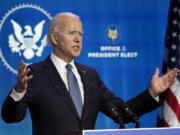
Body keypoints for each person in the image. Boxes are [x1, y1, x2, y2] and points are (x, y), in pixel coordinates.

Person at [1, 12, 179, 135]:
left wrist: (153, 92)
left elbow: (122, 113)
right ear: (55, 38)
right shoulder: (35, 73)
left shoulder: (90, 75)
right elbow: (11, 117)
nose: (78, 39)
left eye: (81, 34)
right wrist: (19, 91)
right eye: (72, 33)